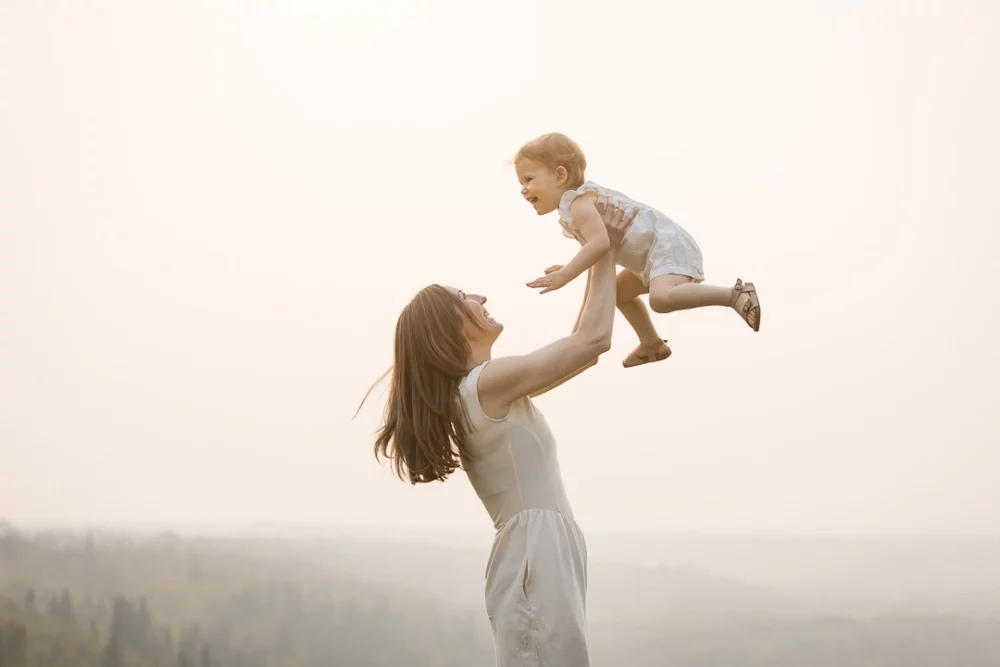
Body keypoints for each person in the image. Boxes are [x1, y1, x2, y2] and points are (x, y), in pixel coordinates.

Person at [358, 195, 637, 666]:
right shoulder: (485, 386)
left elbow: (585, 346)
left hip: (539, 554)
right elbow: (593, 340)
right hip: (534, 557)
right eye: (464, 297)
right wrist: (600, 246)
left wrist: (600, 250)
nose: (480, 298)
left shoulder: (484, 390)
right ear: (449, 327)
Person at [515, 131, 762, 369]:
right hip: (649, 258)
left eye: (529, 179)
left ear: (559, 176)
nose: (523, 189)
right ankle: (652, 344)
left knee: (661, 299)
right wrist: (571, 265)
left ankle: (735, 295)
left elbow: (600, 244)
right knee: (616, 294)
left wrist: (566, 274)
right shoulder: (576, 207)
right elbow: (598, 248)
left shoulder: (580, 204)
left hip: (665, 248)